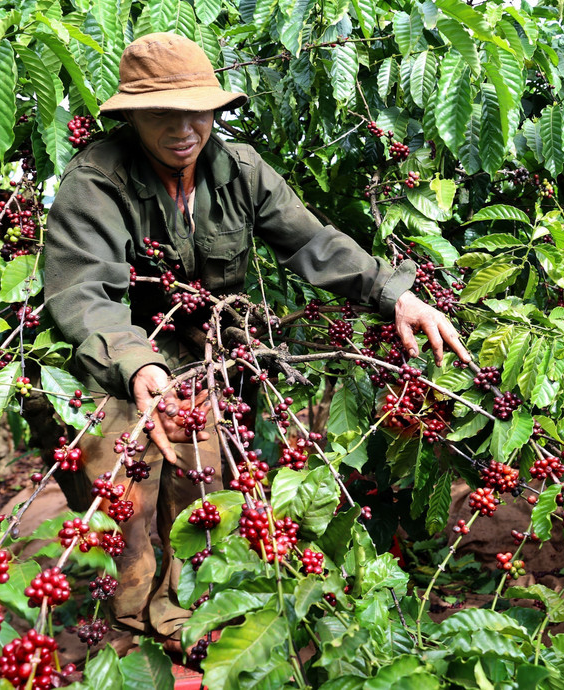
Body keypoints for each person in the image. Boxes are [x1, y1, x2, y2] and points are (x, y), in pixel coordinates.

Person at [42, 32, 469, 651]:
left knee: (200, 492)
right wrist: (136, 366)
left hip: (199, 353)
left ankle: (185, 620)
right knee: (126, 499)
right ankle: (133, 630)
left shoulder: (238, 168)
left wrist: (395, 294)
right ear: (131, 115)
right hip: (112, 358)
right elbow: (84, 293)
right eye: (163, 112)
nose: (185, 127)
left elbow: (311, 243)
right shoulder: (96, 181)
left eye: (198, 109)